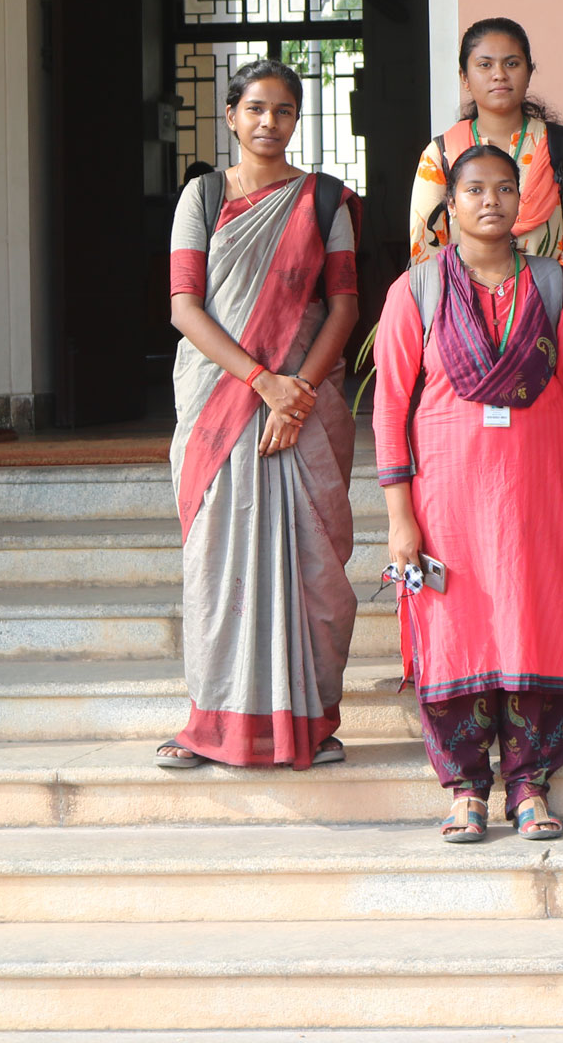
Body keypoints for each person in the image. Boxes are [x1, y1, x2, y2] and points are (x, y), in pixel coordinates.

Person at [374, 142, 563, 843]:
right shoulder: (416, 291)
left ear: (523, 201)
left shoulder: (556, 288)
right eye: (474, 189)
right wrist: (400, 519)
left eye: (505, 188)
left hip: (537, 500)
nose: (491, 201)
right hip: (446, 503)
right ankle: (466, 789)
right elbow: (389, 409)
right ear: (450, 205)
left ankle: (531, 785)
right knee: (456, 633)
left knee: (536, 626)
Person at [160, 60, 359, 771]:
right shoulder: (203, 195)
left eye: (283, 110)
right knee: (217, 562)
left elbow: (344, 307)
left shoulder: (326, 200)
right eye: (256, 109)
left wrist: (295, 392)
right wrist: (262, 382)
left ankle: (312, 723)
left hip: (303, 402)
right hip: (222, 403)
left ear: (296, 120)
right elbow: (185, 307)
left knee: (313, 565)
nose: (269, 122)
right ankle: (212, 722)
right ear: (232, 115)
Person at [408, 18, 563, 268]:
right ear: (464, 77)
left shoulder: (562, 146)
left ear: (529, 73)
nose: (499, 75)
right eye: (485, 65)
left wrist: (550, 287)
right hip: (459, 291)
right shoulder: (441, 154)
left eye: (511, 64)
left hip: (550, 290)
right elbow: (426, 250)